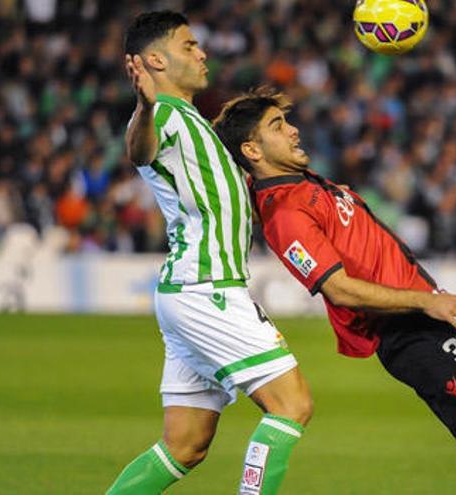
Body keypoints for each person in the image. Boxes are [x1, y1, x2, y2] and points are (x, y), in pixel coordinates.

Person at [213, 87, 456, 494]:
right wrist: (427, 302)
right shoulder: (285, 213)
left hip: (430, 312)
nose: (294, 131)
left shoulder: (305, 184)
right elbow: (339, 290)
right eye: (277, 126)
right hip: (405, 327)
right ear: (253, 151)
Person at [108, 13, 312, 495]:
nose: (202, 53)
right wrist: (143, 105)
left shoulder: (195, 122)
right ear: (156, 60)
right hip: (209, 289)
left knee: (185, 446)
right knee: (292, 404)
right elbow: (139, 151)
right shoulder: (163, 116)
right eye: (189, 45)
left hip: (189, 291)